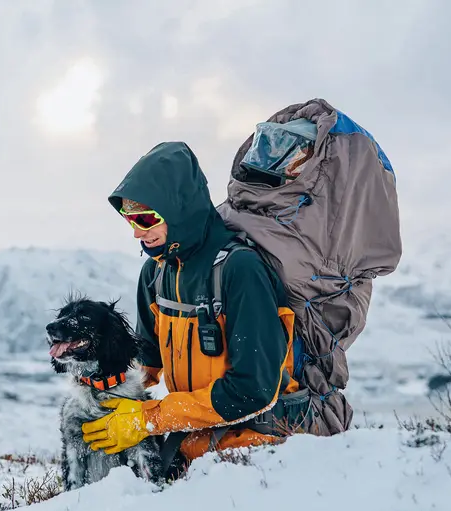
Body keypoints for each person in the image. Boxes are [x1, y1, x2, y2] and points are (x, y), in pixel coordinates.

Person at [82, 141, 306, 469]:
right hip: (193, 441)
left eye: (145, 219)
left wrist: (149, 419)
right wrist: (100, 392)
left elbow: (252, 391)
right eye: (130, 220)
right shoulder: (156, 272)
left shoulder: (240, 269)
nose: (136, 233)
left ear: (179, 208)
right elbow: (146, 360)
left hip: (258, 446)